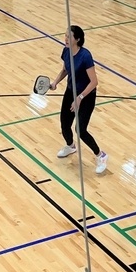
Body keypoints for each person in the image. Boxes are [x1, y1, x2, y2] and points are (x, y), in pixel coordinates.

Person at [48, 25, 107, 174]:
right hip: (70, 92)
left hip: (86, 96)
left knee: (80, 129)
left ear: (78, 39)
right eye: (65, 35)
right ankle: (71, 146)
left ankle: (101, 155)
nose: (66, 38)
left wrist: (80, 98)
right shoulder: (66, 51)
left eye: (69, 36)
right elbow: (66, 69)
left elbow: (94, 82)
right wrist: (55, 82)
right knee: (64, 124)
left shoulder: (85, 56)